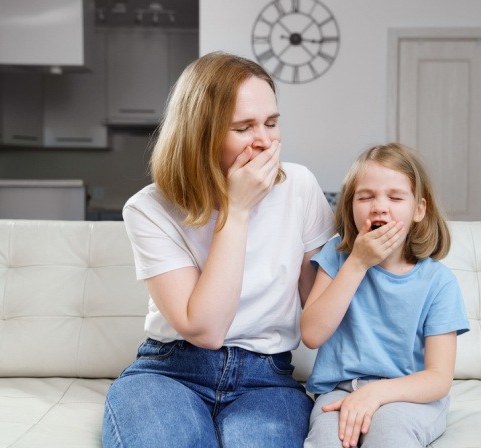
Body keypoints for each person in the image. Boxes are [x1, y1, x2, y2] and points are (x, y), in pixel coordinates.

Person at [102, 51, 335, 448]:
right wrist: (237, 209)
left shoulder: (299, 187)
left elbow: (320, 313)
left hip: (268, 379)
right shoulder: (149, 208)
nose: (264, 141)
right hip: (170, 372)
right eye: (244, 127)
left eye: (272, 123)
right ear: (201, 133)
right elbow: (206, 329)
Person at [301, 143, 470, 448]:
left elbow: (438, 378)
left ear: (419, 209)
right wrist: (358, 263)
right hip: (339, 390)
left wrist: (375, 394)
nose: (379, 206)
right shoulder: (336, 258)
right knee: (326, 441)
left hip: (408, 397)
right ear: (350, 207)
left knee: (389, 436)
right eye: (365, 197)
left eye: (394, 197)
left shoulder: (439, 283)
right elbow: (312, 334)